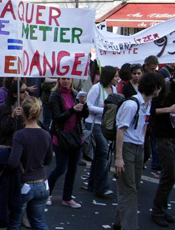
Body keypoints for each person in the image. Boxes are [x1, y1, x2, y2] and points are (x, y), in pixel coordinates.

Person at [113, 72, 165, 230]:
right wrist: (119, 157)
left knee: (132, 187)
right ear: (155, 88)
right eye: (160, 87)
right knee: (129, 189)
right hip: (128, 147)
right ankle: (129, 226)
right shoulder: (132, 104)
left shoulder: (147, 104)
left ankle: (119, 222)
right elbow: (120, 131)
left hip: (137, 148)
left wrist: (141, 145)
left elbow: (143, 126)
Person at [7, 97, 53, 230]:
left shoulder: (20, 135)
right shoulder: (46, 135)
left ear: (23, 113)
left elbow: (13, 163)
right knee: (38, 222)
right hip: (43, 184)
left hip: (25, 184)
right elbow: (48, 160)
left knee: (15, 222)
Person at [47, 77, 89, 208]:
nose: (66, 81)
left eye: (68, 79)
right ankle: (47, 193)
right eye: (63, 79)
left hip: (75, 136)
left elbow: (84, 115)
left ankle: (67, 197)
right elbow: (57, 118)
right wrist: (72, 110)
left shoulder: (76, 95)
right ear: (59, 80)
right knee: (60, 168)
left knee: (73, 169)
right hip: (61, 137)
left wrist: (84, 104)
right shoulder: (55, 96)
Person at [85, 65, 118, 197]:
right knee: (103, 153)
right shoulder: (96, 88)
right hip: (96, 124)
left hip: (107, 126)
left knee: (100, 155)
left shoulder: (114, 89)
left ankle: (92, 183)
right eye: (115, 76)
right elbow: (88, 106)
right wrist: (104, 111)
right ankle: (101, 187)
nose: (117, 78)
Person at [150, 73, 175, 227]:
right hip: (163, 137)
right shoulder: (165, 87)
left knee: (171, 176)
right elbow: (151, 110)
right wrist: (169, 110)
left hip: (173, 137)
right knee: (170, 174)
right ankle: (157, 211)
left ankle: (161, 208)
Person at [0, 78, 29, 156]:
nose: (26, 93)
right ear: (14, 94)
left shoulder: (28, 107)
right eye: (22, 91)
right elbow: (4, 128)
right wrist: (12, 116)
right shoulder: (7, 108)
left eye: (27, 90)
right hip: (8, 146)